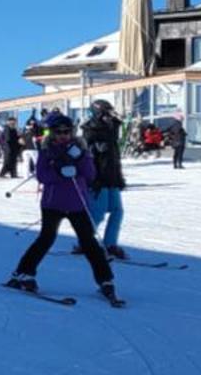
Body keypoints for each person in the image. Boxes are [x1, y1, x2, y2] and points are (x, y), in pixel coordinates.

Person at [7, 112, 121, 302]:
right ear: (52, 133)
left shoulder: (80, 149)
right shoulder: (47, 151)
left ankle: (105, 280)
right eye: (58, 132)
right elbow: (42, 176)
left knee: (89, 243)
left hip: (77, 203)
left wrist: (81, 160)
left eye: (67, 131)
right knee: (46, 238)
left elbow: (90, 174)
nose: (63, 135)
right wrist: (60, 172)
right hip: (53, 204)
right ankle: (23, 273)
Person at [84, 98, 128, 259]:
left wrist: (119, 177)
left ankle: (110, 244)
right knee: (99, 212)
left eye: (110, 112)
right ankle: (85, 242)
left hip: (112, 176)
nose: (109, 116)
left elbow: (115, 157)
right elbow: (86, 155)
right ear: (98, 113)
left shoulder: (112, 129)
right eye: (105, 113)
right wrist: (94, 149)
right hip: (98, 178)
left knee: (117, 211)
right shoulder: (90, 129)